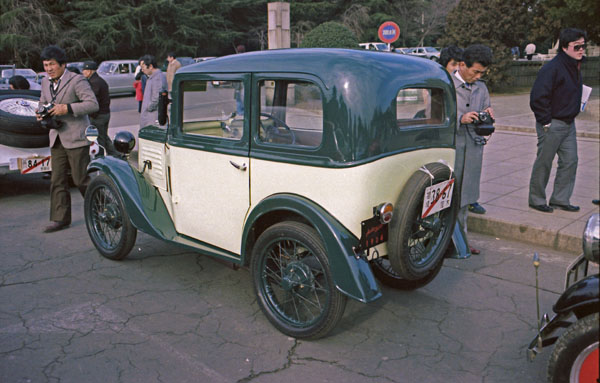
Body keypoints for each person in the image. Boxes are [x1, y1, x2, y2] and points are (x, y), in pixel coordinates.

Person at [36, 45, 98, 233]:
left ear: (63, 64)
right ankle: (60, 219)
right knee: (57, 180)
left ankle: (101, 210)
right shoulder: (46, 82)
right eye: (46, 65)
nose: (48, 68)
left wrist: (68, 108)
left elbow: (92, 104)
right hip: (56, 138)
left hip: (76, 138)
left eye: (52, 64)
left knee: (81, 180)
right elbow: (41, 102)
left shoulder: (77, 80)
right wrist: (40, 113)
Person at [528, 28, 587, 213]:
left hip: (568, 123)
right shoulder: (552, 68)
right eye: (577, 46)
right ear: (564, 47)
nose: (581, 50)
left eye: (583, 46)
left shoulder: (574, 65)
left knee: (570, 161)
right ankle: (536, 199)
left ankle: (560, 199)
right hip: (552, 123)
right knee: (544, 162)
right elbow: (538, 97)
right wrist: (546, 122)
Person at [452, 44, 495, 255]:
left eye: (482, 73)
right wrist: (460, 118)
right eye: (475, 71)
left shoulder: (481, 87)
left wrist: (487, 115)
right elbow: (434, 117)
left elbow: (485, 110)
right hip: (452, 149)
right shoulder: (445, 84)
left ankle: (462, 242)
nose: (477, 76)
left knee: (465, 199)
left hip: (473, 147)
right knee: (447, 198)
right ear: (462, 65)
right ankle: (439, 243)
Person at [82, 61, 113, 155]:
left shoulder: (94, 82)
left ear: (90, 71)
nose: (83, 72)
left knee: (99, 140)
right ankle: (116, 155)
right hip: (105, 113)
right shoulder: (99, 80)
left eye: (85, 70)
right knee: (104, 136)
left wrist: (92, 115)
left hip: (99, 115)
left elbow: (94, 101)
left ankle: (102, 159)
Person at [139, 54, 167, 128]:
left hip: (152, 118)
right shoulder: (152, 77)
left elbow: (156, 98)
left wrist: (148, 108)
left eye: (143, 67)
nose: (142, 70)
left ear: (150, 66)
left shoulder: (158, 78)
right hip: (149, 116)